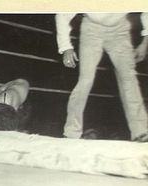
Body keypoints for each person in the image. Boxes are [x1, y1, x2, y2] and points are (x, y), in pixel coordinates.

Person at [55, 13, 148, 142]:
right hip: (92, 29)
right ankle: (71, 132)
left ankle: (141, 131)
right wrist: (66, 47)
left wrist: (145, 41)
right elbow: (63, 13)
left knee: (129, 78)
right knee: (85, 80)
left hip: (120, 30)